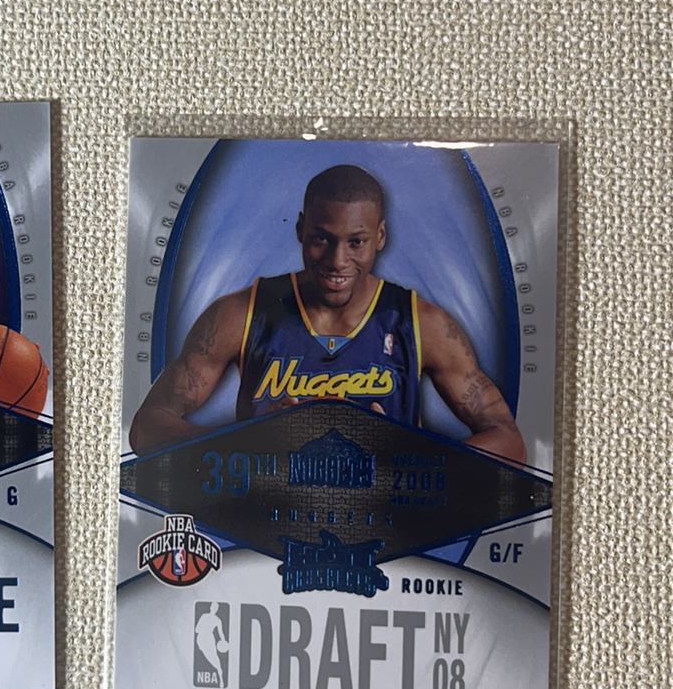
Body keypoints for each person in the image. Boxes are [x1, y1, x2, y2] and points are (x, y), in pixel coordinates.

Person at [129, 164, 527, 464]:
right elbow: (148, 425)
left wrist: (412, 456)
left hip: (386, 527)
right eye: (322, 238)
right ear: (301, 230)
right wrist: (247, 446)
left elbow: (510, 442)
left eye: (356, 242)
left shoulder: (422, 324)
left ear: (380, 237)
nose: (338, 261)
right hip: (267, 522)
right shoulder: (241, 314)